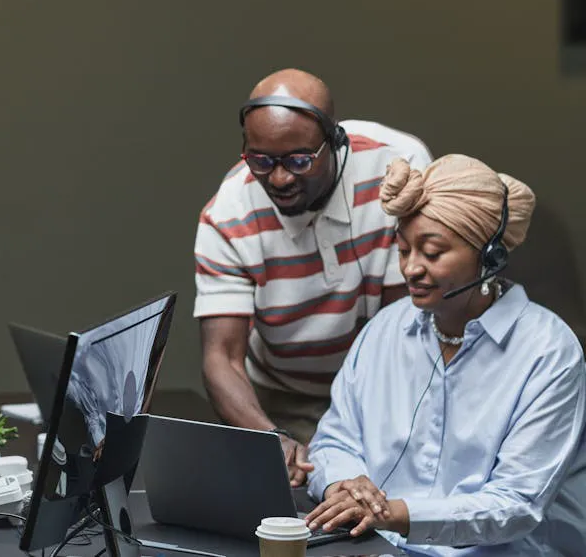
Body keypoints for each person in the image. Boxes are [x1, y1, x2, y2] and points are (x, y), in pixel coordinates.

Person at [304, 155, 586, 555]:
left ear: (489, 257)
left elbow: (516, 503)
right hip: (375, 546)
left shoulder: (549, 352)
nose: (411, 269)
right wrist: (344, 486)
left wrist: (394, 513)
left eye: (432, 253)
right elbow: (335, 439)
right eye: (403, 251)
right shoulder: (386, 329)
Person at [194, 68, 432, 486]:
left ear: (334, 143)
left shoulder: (399, 166)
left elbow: (413, 329)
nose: (280, 178)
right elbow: (223, 359)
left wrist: (359, 445)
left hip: (392, 393)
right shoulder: (227, 216)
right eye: (261, 161)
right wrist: (269, 439)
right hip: (285, 403)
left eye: (299, 160)